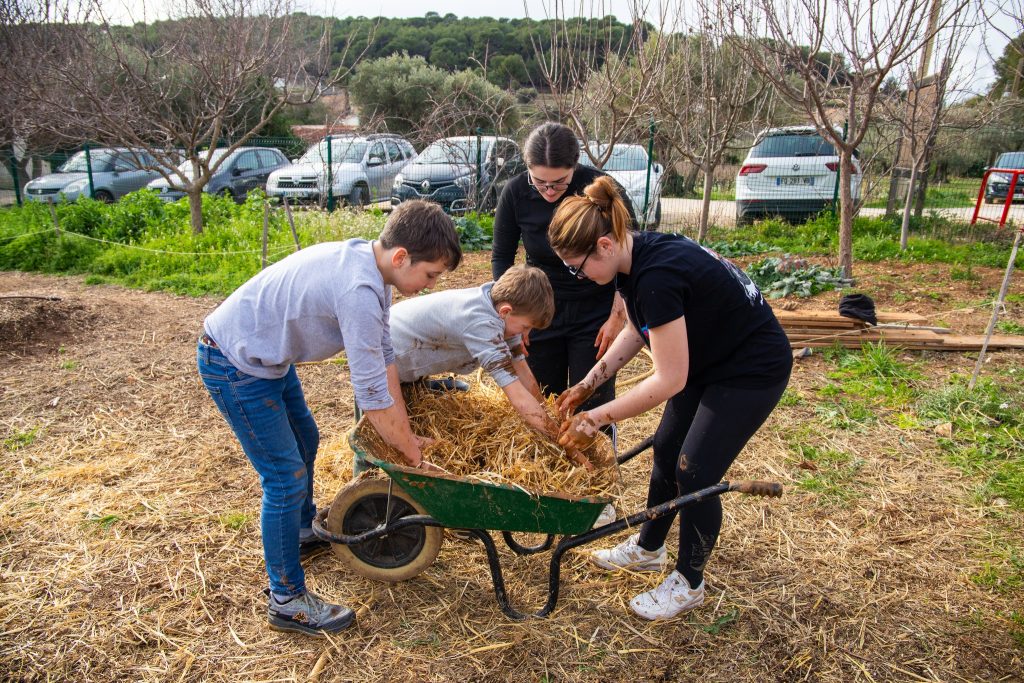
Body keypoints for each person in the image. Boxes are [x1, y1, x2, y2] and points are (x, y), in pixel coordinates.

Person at [197, 200, 462, 636]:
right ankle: (286, 600)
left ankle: (300, 531)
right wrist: (408, 450)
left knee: (306, 439)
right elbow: (371, 393)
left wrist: (407, 434)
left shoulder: (375, 273)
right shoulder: (357, 290)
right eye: (430, 275)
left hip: (266, 362)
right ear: (401, 258)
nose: (431, 285)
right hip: (234, 362)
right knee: (285, 477)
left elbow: (385, 359)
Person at [549, 176, 792, 620]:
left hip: (750, 369)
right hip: (710, 359)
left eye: (576, 266)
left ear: (604, 245)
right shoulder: (632, 259)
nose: (578, 277)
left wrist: (595, 417)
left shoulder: (657, 276)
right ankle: (649, 548)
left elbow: (668, 380)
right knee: (666, 449)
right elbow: (635, 330)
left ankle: (689, 581)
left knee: (695, 471)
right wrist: (588, 382)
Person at [491, 122, 638, 431]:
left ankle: (599, 470)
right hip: (542, 311)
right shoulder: (516, 192)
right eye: (540, 181)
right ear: (528, 168)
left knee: (593, 400)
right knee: (543, 397)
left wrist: (617, 315)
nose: (549, 191)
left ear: (575, 166)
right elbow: (502, 258)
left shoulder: (601, 187)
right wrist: (516, 318)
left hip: (595, 312)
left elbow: (631, 252)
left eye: (559, 183)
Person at [389, 264, 591, 468]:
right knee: (387, 441)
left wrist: (544, 413)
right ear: (506, 311)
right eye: (526, 327)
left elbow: (521, 368)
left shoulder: (499, 309)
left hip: (409, 367)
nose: (525, 333)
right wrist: (566, 446)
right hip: (384, 364)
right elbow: (518, 397)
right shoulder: (481, 324)